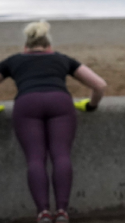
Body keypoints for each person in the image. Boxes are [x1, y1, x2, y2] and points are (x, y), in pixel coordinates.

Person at [0, 21, 107, 223]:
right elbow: (100, 85)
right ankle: (62, 212)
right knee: (61, 156)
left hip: (27, 104)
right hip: (60, 103)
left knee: (35, 159)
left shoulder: (13, 61)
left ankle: (43, 213)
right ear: (49, 47)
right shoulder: (62, 59)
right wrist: (91, 105)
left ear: (26, 47)